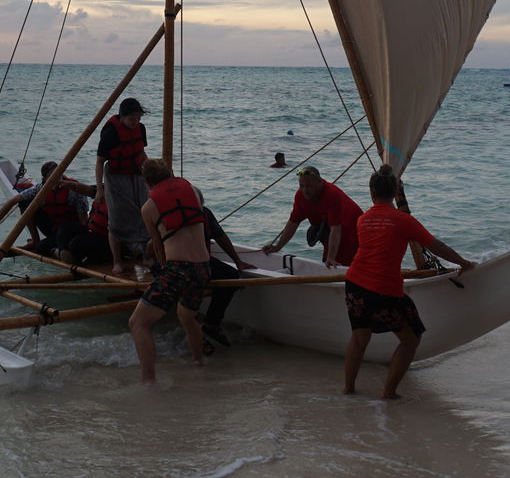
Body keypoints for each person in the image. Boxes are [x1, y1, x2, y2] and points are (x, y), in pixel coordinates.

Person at [342, 164, 474, 399]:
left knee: (359, 338)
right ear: (394, 192)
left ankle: (348, 389)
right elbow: (436, 246)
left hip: (354, 284)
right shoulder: (402, 220)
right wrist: (463, 262)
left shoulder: (363, 220)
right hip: (383, 289)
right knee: (411, 339)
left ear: (372, 193)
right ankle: (388, 393)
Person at [128, 159, 211, 382]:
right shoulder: (191, 190)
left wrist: (164, 271)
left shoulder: (148, 207)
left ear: (146, 181)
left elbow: (157, 245)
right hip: (203, 267)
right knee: (187, 317)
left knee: (138, 323)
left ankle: (148, 380)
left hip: (178, 268)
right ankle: (198, 361)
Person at [0, 160, 95, 258]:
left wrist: (84, 242)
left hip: (70, 230)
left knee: (61, 232)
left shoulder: (73, 190)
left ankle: (63, 251)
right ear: (45, 179)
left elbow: (83, 219)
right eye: (52, 175)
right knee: (25, 204)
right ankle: (36, 241)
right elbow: (12, 201)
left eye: (59, 174)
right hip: (54, 229)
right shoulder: (40, 189)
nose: (57, 178)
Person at [261, 166, 362, 268]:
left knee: (342, 265)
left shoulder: (332, 194)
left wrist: (331, 257)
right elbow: (293, 223)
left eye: (309, 186)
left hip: (352, 233)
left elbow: (336, 229)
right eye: (301, 186)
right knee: (327, 262)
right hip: (330, 236)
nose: (305, 190)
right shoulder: (300, 196)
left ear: (320, 183)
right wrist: (278, 247)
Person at [95, 97, 150, 275]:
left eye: (138, 118)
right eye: (132, 118)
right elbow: (99, 162)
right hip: (116, 178)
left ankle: (143, 256)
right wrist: (99, 189)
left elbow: (141, 152)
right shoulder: (111, 133)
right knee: (117, 220)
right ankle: (117, 260)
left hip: (136, 174)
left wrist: (152, 174)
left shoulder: (140, 129)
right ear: (122, 116)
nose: (136, 122)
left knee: (143, 214)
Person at [199, 207, 252, 348]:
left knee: (231, 276)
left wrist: (237, 261)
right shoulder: (167, 213)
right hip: (174, 261)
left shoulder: (204, 212)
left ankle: (211, 322)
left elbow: (220, 236)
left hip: (201, 260)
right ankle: (194, 333)